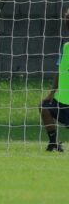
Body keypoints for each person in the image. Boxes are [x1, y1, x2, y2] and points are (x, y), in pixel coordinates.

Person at [40, 9, 69, 152]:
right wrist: (52, 92)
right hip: (62, 101)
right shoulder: (66, 47)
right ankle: (53, 143)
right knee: (44, 107)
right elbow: (59, 70)